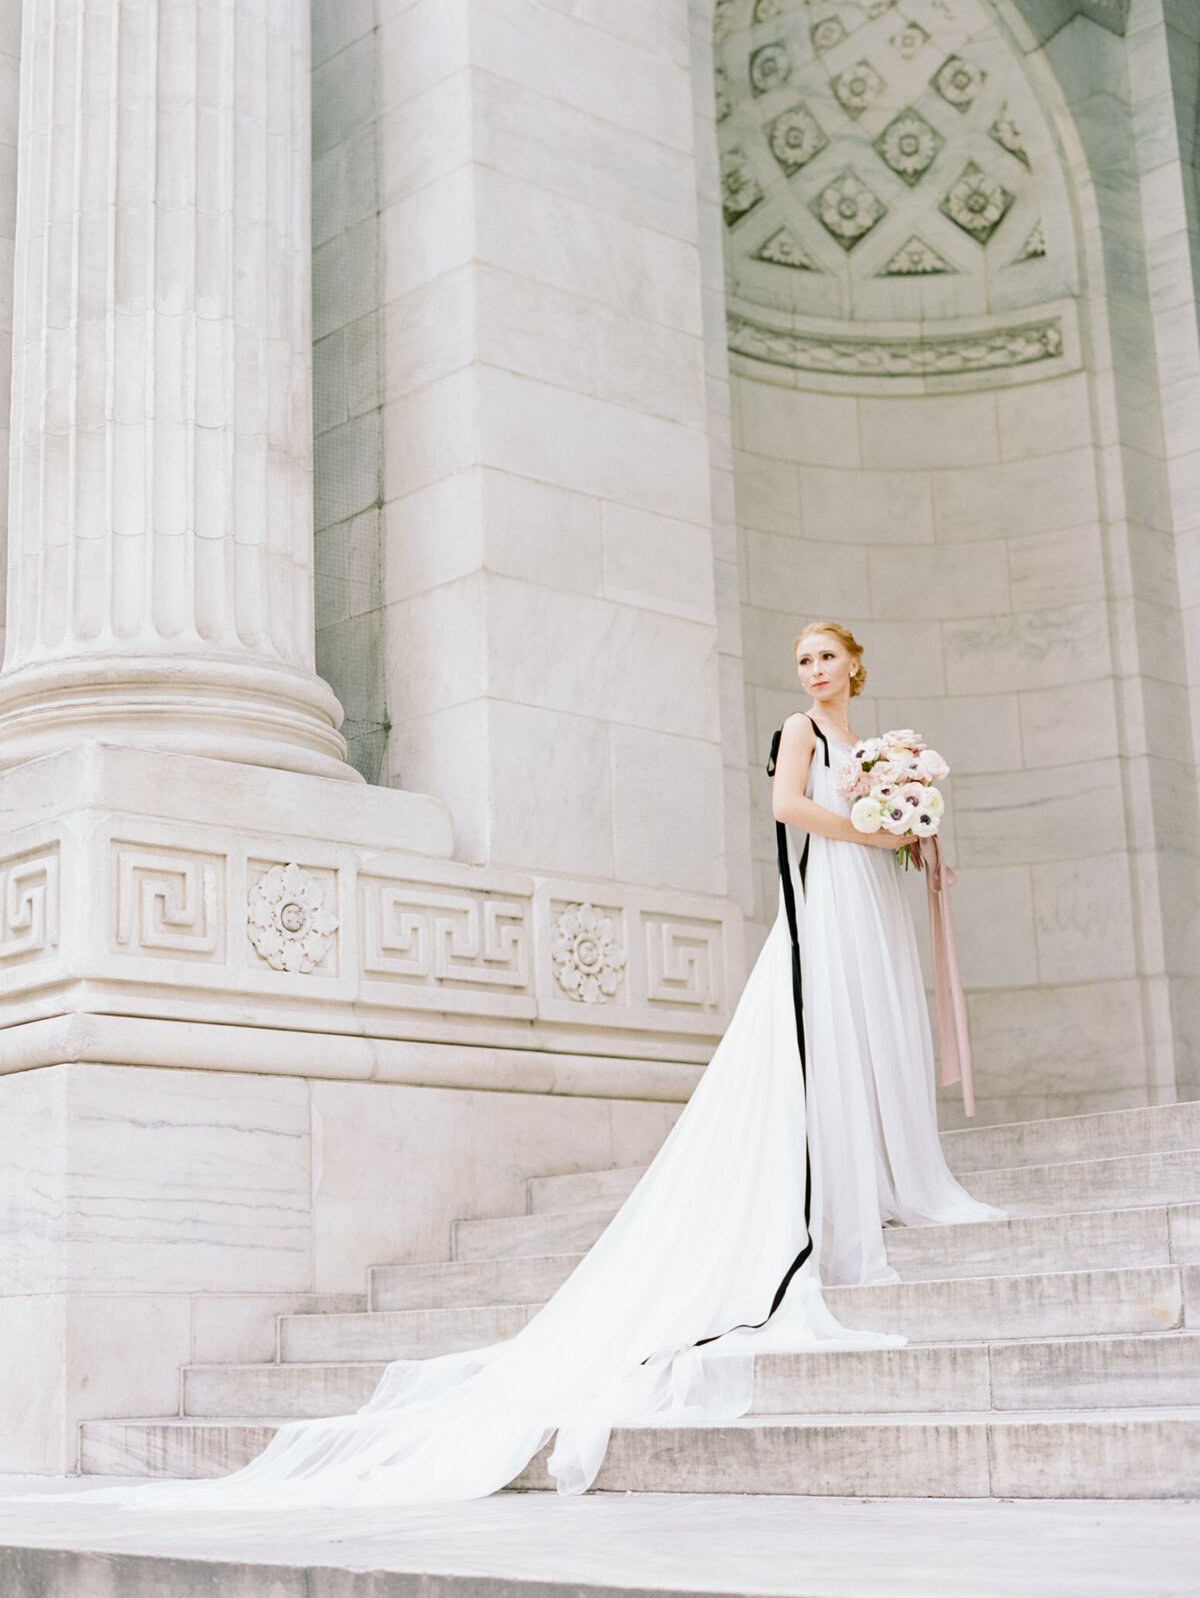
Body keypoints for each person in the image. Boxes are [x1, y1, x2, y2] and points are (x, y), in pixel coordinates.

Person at [108, 621, 1002, 1510]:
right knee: (824, 1031)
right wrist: (868, 825)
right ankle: (828, 1197)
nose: (812, 670)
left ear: (855, 664)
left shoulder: (876, 745)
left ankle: (883, 1171)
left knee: (873, 1026)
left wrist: (907, 829)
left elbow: (870, 811)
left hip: (869, 887)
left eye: (825, 657)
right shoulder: (802, 732)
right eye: (802, 658)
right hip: (831, 889)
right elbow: (786, 809)